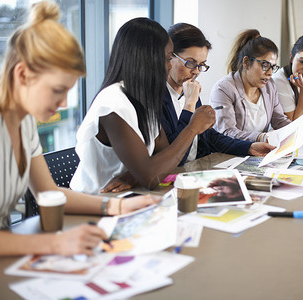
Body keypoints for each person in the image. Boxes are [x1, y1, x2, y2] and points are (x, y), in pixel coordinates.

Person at [0, 1, 155, 257]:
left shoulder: (24, 122)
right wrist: (55, 244)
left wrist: (116, 207)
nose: (63, 104)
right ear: (22, 75)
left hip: (2, 256)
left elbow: (48, 192)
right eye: (57, 90)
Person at [70, 18, 215, 195]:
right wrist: (192, 127)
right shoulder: (113, 103)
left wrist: (133, 176)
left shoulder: (142, 98)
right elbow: (150, 177)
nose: (170, 66)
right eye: (169, 58)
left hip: (130, 198)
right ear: (148, 60)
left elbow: (168, 156)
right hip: (95, 203)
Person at [163, 23, 275, 166]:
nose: (196, 71)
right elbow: (174, 156)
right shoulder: (159, 99)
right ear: (169, 57)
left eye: (201, 65)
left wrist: (248, 147)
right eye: (190, 63)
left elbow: (208, 136)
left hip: (195, 168)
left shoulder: (189, 89)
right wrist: (189, 105)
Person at [209, 29, 292, 143]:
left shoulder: (270, 86)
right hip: (229, 155)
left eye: (273, 67)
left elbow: (280, 120)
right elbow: (227, 132)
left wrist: (298, 131)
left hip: (257, 155)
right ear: (246, 62)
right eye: (265, 65)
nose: (270, 73)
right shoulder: (223, 89)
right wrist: (261, 137)